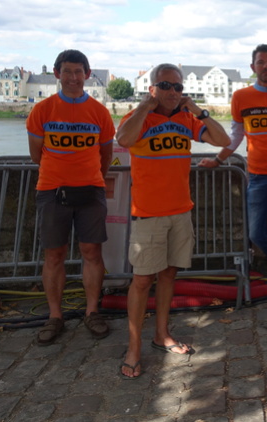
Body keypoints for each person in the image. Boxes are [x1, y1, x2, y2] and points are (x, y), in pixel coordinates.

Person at [116, 63, 230, 379]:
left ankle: (161, 334)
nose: (172, 92)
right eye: (165, 86)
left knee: (168, 275)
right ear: (152, 88)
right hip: (148, 213)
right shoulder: (138, 117)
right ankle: (134, 346)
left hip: (180, 210)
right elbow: (124, 140)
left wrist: (197, 109)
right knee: (141, 280)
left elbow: (222, 139)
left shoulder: (187, 119)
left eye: (178, 87)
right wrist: (144, 106)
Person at [199, 44, 267, 312]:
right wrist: (219, 159)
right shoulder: (241, 97)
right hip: (258, 174)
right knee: (257, 233)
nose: (266, 66)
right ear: (253, 67)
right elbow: (236, 135)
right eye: (261, 62)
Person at [26, 49, 115, 345]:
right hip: (52, 190)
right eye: (67, 71)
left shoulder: (100, 113)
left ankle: (92, 312)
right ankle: (55, 316)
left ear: (88, 75)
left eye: (79, 72)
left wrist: (89, 176)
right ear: (57, 74)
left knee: (92, 253)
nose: (73, 78)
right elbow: (36, 155)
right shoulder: (42, 110)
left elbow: (105, 155)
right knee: (54, 255)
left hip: (91, 190)